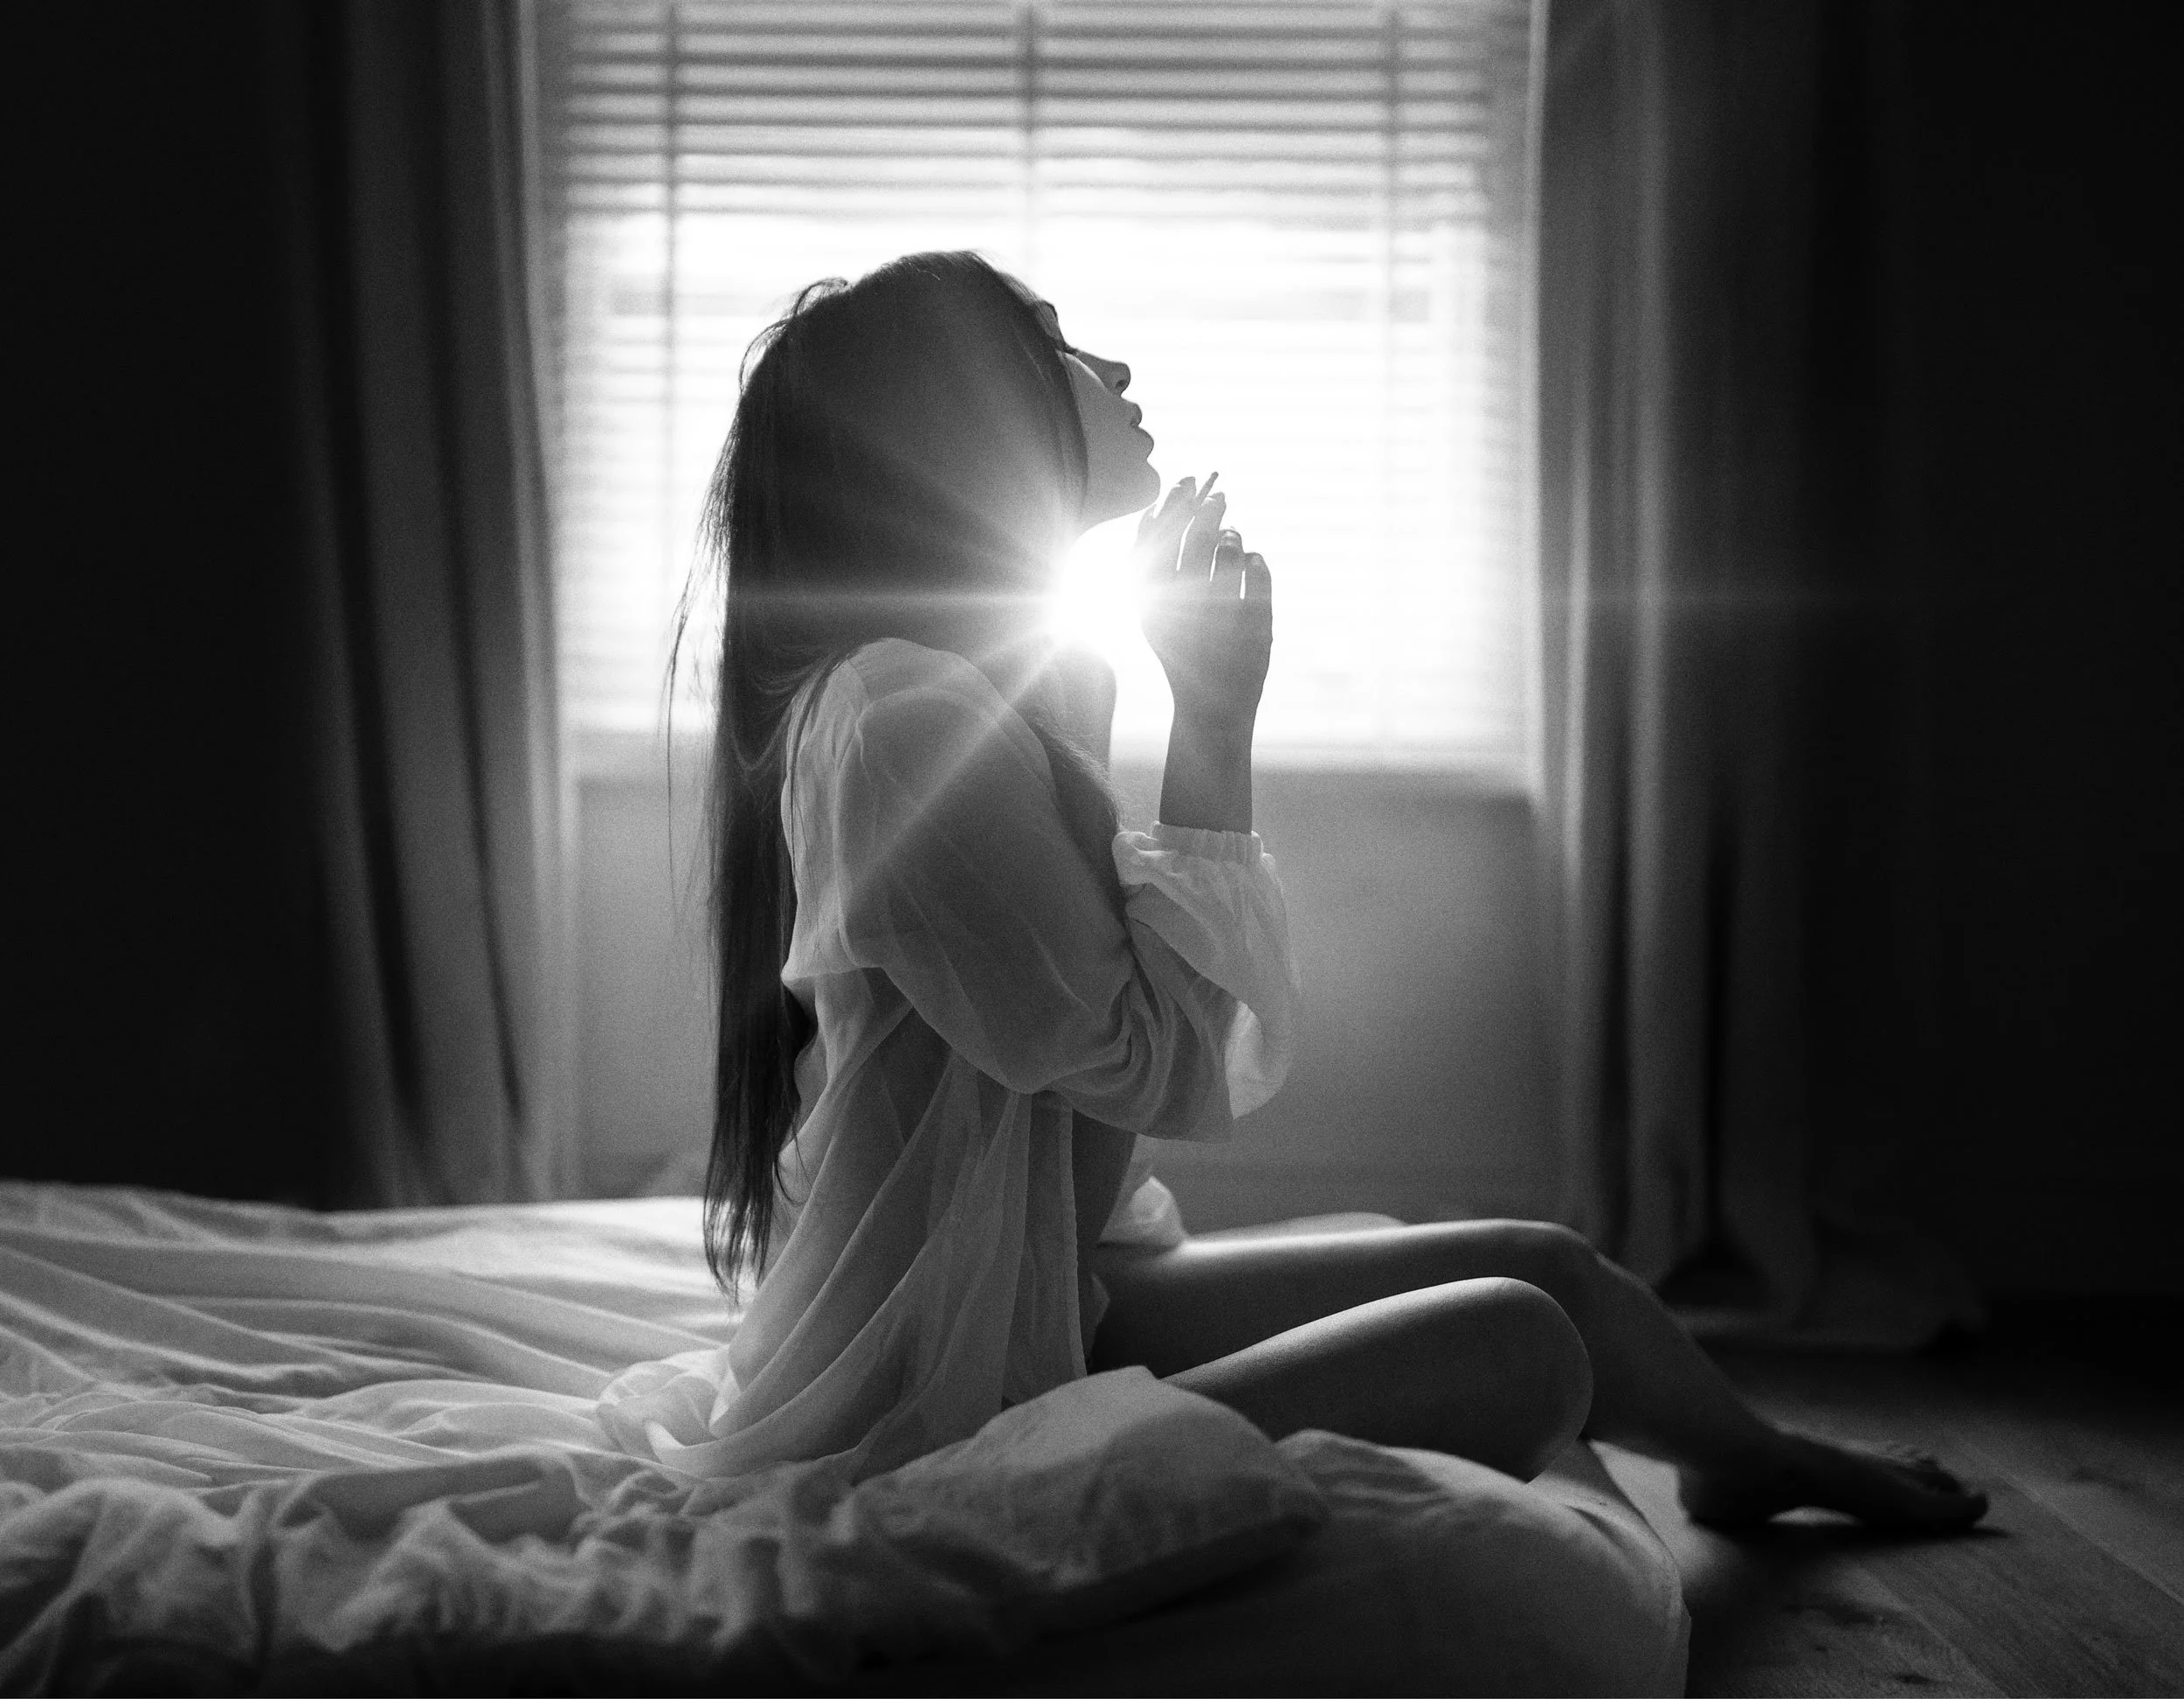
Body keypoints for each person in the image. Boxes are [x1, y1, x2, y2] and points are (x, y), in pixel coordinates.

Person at [638, 247, 1985, 1530]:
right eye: (1050, 345)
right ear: (966, 423)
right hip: (946, 1395)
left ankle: (1754, 1462)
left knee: (1548, 1265)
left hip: (1053, 1281)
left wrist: (1167, 712)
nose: (1108, 361)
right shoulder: (902, 717)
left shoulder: (985, 686)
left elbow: (1092, 1134)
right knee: (1523, 1345)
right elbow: (1145, 1085)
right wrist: (1215, 729)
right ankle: (1739, 1456)